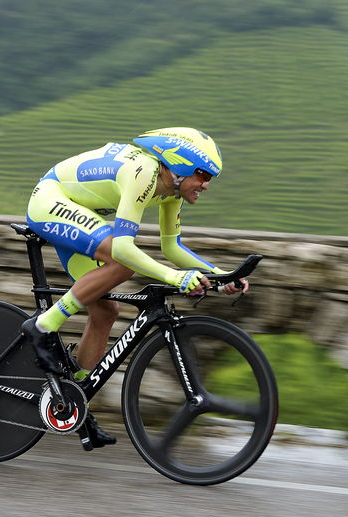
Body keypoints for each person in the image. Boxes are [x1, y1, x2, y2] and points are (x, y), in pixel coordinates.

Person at [21, 127, 249, 448]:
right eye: (202, 174)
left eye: (211, 177)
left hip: (79, 210)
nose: (206, 184)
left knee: (105, 311)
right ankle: (43, 326)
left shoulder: (172, 190)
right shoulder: (142, 172)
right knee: (122, 261)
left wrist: (220, 275)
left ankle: (75, 403)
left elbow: (172, 248)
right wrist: (175, 278)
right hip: (52, 200)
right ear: (179, 165)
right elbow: (125, 251)